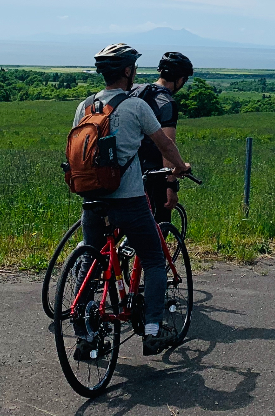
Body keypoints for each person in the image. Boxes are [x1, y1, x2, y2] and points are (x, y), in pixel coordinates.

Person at [74, 43, 192, 357]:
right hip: (128, 200)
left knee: (89, 261)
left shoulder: (84, 106)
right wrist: (180, 168)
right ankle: (152, 330)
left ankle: (83, 334)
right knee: (154, 260)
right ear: (128, 71)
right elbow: (164, 144)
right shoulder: (136, 106)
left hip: (91, 202)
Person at [131, 51, 193, 225]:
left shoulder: (137, 91)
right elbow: (166, 145)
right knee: (159, 229)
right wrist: (171, 185)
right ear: (181, 79)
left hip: (126, 170)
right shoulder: (166, 103)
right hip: (153, 176)